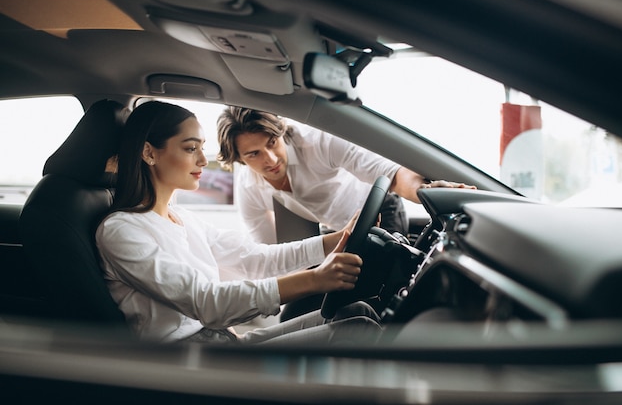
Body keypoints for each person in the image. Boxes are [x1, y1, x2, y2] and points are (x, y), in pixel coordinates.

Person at [95, 101, 381, 346]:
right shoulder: (121, 230)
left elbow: (255, 258)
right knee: (358, 329)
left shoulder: (182, 218)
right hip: (187, 357)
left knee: (358, 312)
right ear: (149, 153)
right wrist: (315, 279)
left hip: (218, 337)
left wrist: (336, 240)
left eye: (202, 148)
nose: (203, 161)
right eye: (190, 148)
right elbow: (206, 302)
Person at [216, 106, 476, 245]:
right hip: (334, 227)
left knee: (380, 284)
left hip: (378, 207)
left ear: (281, 133)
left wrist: (423, 192)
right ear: (238, 159)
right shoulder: (248, 187)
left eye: (272, 143)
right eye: (254, 154)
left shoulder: (318, 141)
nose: (270, 160)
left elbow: (391, 174)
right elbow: (265, 250)